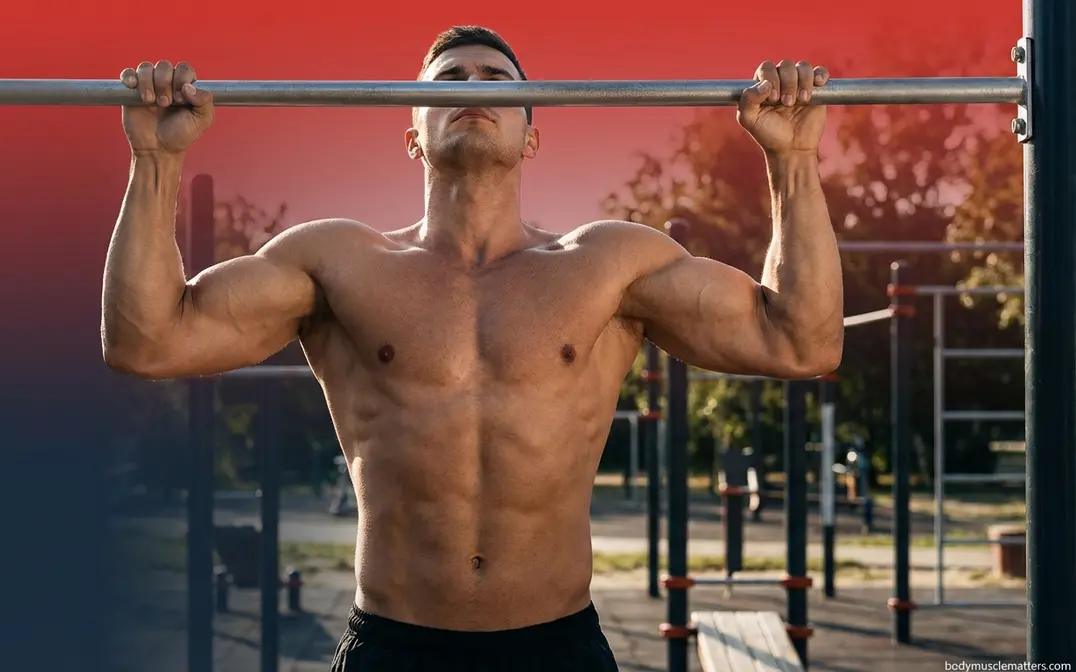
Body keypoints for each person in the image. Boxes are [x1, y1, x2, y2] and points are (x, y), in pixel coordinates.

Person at [101, 25, 843, 672]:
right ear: (410, 128)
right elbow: (147, 340)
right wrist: (155, 162)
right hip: (394, 648)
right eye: (448, 79)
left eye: (497, 79)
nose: (473, 87)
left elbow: (802, 339)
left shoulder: (611, 265)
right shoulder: (337, 264)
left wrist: (795, 157)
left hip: (558, 650)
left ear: (533, 129)